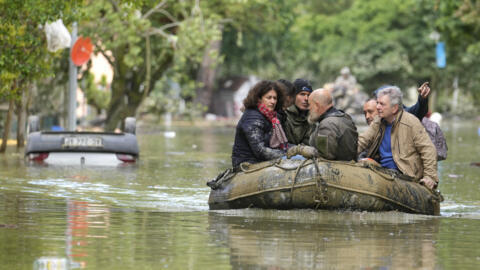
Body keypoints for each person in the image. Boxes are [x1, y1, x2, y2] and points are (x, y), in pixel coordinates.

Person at [357, 86, 439, 190]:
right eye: (377, 103)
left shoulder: (411, 122)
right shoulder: (378, 122)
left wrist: (430, 177)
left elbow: (428, 150)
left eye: (381, 104)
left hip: (405, 175)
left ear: (394, 108)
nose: (377, 107)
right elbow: (362, 141)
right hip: (383, 172)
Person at [231, 80, 288, 168]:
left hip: (264, 162)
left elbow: (281, 145)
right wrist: (288, 154)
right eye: (269, 98)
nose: (273, 101)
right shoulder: (252, 117)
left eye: (275, 98)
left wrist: (299, 149)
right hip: (247, 165)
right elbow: (260, 151)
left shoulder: (272, 117)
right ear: (259, 99)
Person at [306, 88, 358, 161]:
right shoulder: (345, 117)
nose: (308, 108)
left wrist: (303, 150)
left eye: (310, 105)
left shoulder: (326, 124)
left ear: (317, 105)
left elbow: (324, 157)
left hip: (337, 169)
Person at [282, 78, 315, 145]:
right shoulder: (283, 115)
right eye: (302, 94)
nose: (306, 98)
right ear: (293, 96)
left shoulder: (312, 117)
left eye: (309, 95)